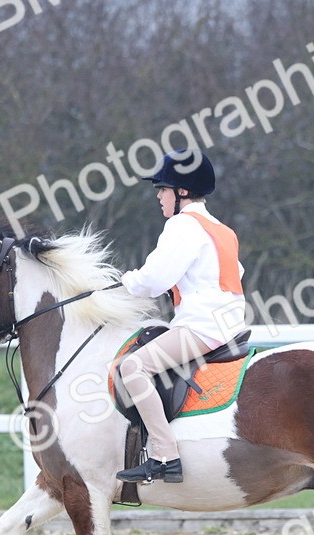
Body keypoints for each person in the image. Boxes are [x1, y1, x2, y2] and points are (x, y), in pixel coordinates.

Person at [115, 149, 247, 484]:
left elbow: (153, 280)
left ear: (182, 192)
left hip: (203, 327)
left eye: (162, 189)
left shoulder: (182, 226)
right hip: (229, 323)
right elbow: (237, 271)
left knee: (133, 367)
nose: (158, 196)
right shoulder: (221, 229)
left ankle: (165, 454)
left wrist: (125, 280)